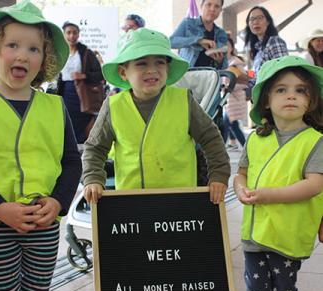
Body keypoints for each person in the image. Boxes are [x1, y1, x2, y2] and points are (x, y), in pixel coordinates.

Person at [0, 1, 81, 291]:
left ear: (44, 59)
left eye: (33, 49)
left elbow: (71, 161)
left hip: (44, 221)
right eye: (13, 45)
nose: (23, 56)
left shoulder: (55, 107)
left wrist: (58, 202)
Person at [81, 28, 230, 203]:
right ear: (123, 72)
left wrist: (218, 175)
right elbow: (95, 148)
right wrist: (93, 178)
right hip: (132, 205)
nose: (152, 70)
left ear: (167, 68)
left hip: (180, 204)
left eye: (159, 62)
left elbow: (211, 138)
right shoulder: (113, 107)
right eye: (142, 63)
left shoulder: (184, 101)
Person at [233, 56, 323, 291]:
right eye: (281, 89)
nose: (291, 96)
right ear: (266, 101)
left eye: (300, 90)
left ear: (311, 100)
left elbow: (315, 185)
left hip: (287, 234)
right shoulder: (254, 139)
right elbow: (241, 175)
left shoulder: (315, 141)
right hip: (254, 234)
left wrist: (267, 195)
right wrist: (240, 190)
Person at [57, 21, 104, 144]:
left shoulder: (85, 52)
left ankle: (84, 150)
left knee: (84, 120)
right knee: (67, 120)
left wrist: (84, 75)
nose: (72, 36)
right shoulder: (59, 52)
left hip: (82, 93)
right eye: (68, 33)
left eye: (74, 33)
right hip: (65, 92)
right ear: (64, 34)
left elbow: (100, 73)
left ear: (78, 34)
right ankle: (70, 149)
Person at [243, 6, 288, 96]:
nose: (256, 22)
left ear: (268, 22)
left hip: (274, 95)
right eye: (252, 19)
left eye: (260, 18)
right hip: (262, 97)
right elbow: (256, 75)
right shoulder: (258, 49)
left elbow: (284, 70)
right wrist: (244, 74)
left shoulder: (274, 41)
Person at [170, 0, 228, 69]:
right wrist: (198, 41)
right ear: (201, 6)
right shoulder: (188, 23)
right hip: (188, 74)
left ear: (220, 10)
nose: (212, 9)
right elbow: (171, 42)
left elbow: (224, 65)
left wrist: (220, 61)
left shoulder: (221, 33)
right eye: (208, 4)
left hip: (211, 76)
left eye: (217, 6)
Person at [223, 37, 248, 149]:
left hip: (235, 98)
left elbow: (244, 81)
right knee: (229, 124)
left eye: (227, 45)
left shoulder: (235, 63)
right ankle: (237, 145)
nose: (225, 48)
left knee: (229, 124)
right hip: (228, 99)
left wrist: (229, 87)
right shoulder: (224, 62)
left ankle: (245, 147)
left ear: (232, 47)